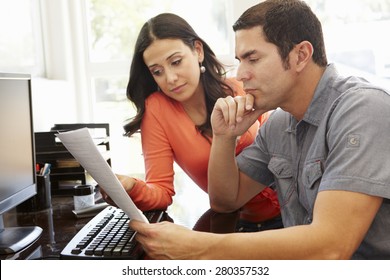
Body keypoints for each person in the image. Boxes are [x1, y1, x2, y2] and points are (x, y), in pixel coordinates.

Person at [129, 0, 390, 260]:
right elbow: (225, 201)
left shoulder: (363, 108)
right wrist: (224, 136)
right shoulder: (279, 124)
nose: (240, 75)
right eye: (240, 61)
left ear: (300, 56)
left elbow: (332, 246)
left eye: (252, 59)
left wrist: (198, 246)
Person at [101, 13, 282, 232]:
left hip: (297, 210)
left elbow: (281, 146)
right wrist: (130, 187)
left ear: (197, 51)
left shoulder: (238, 88)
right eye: (157, 72)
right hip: (236, 226)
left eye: (176, 62)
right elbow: (161, 193)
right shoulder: (157, 110)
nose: (170, 78)